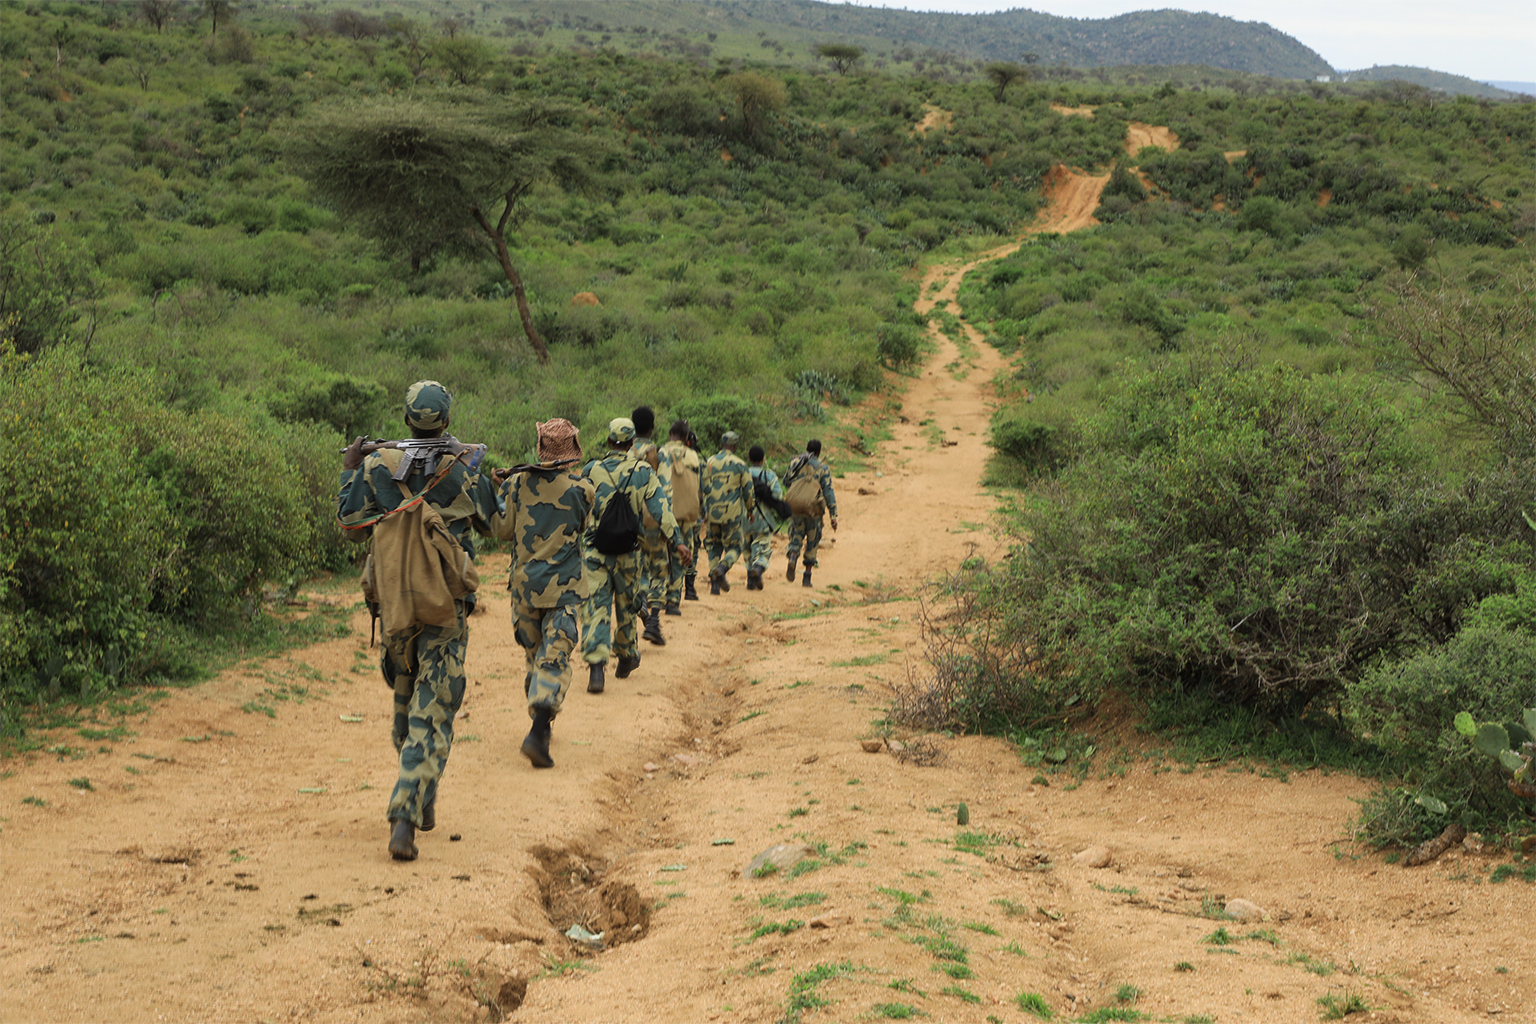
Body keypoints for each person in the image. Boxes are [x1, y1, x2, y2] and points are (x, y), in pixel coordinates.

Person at [338, 380, 502, 862]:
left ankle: (419, 790)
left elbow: (349, 527)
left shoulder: (375, 466)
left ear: (407, 419)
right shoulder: (462, 468)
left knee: (406, 702)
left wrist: (350, 470)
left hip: (394, 602)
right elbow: (494, 523)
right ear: (446, 421)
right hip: (444, 606)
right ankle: (406, 813)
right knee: (434, 712)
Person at [492, 419, 594, 769]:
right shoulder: (583, 489)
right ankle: (539, 728)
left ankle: (541, 722)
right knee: (555, 657)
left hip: (524, 587)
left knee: (535, 657)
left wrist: (499, 492)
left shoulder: (518, 483)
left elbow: (502, 530)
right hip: (562, 589)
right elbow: (583, 526)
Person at [580, 418, 691, 692]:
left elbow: (576, 507)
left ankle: (596, 668)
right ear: (631, 444)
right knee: (627, 605)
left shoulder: (591, 469)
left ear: (608, 441)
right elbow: (660, 509)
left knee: (596, 606)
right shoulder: (643, 470)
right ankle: (627, 656)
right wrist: (677, 541)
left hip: (595, 549)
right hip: (628, 552)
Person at [629, 405, 671, 645]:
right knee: (658, 566)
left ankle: (640, 599)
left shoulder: (622, 449)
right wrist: (668, 523)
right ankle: (653, 620)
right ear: (652, 428)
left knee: (636, 566)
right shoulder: (657, 453)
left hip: (626, 518)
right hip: (651, 516)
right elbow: (664, 488)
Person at [700, 430, 755, 594]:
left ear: (722, 445)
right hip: (732, 514)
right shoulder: (740, 464)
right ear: (735, 446)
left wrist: (703, 511)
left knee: (713, 546)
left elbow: (703, 486)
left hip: (711, 513)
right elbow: (748, 490)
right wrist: (750, 509)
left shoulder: (709, 461)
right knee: (735, 547)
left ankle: (715, 585)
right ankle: (722, 568)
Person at [657, 418, 702, 612]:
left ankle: (655, 596)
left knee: (660, 555)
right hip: (686, 515)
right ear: (686, 437)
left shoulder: (658, 453)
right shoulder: (693, 456)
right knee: (681, 555)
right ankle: (673, 600)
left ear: (670, 434)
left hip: (661, 513)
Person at [783, 438, 839, 588]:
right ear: (819, 452)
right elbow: (828, 492)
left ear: (806, 449)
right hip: (813, 511)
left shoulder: (795, 463)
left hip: (795, 508)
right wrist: (833, 515)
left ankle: (793, 556)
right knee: (812, 542)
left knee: (796, 535)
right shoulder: (822, 468)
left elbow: (786, 482)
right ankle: (807, 578)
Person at [745, 445, 785, 590]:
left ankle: (750, 581)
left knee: (747, 550)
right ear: (763, 460)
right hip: (763, 519)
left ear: (749, 459)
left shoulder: (742, 474)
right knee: (762, 549)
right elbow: (778, 495)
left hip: (744, 519)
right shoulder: (769, 475)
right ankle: (758, 569)